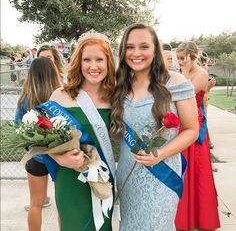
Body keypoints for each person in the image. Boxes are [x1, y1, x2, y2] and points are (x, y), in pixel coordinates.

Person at [110, 23, 199, 231]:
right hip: (128, 175)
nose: (136, 53)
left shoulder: (175, 81)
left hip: (162, 174)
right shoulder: (120, 85)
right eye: (130, 47)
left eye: (143, 46)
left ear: (155, 49)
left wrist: (160, 153)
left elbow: (191, 130)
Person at [48, 30, 116, 230]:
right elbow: (42, 141)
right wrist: (60, 158)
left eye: (99, 60)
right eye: (87, 60)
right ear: (78, 62)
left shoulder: (116, 97)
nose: (93, 66)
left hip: (102, 178)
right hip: (70, 178)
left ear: (108, 63)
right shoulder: (60, 95)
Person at [175, 41, 220, 230]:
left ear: (192, 57)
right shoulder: (181, 73)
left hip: (195, 126)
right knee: (180, 169)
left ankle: (197, 216)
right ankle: (181, 214)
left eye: (182, 58)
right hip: (180, 123)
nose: (179, 61)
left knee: (195, 170)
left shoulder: (201, 74)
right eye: (177, 58)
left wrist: (183, 73)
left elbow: (184, 94)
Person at [15, 57, 61, 231]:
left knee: (35, 204)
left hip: (37, 157)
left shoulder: (24, 100)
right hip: (60, 158)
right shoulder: (60, 97)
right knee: (62, 205)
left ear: (31, 74)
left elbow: (19, 129)